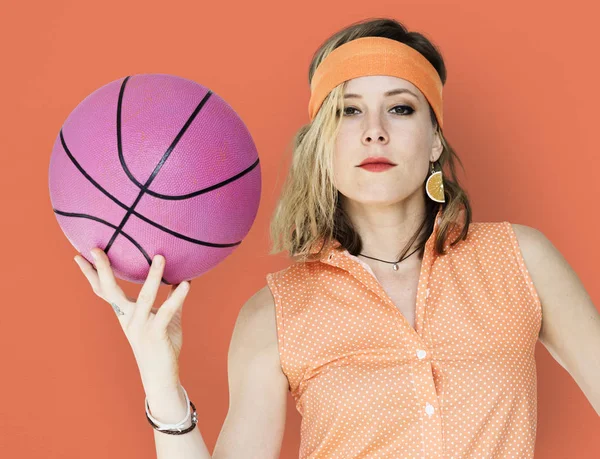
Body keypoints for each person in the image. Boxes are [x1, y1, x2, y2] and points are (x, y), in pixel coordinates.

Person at [74, 17, 600, 459]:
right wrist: (161, 385)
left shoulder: (520, 260)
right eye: (348, 110)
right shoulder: (275, 314)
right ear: (322, 144)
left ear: (436, 139)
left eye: (400, 108)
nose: (375, 130)